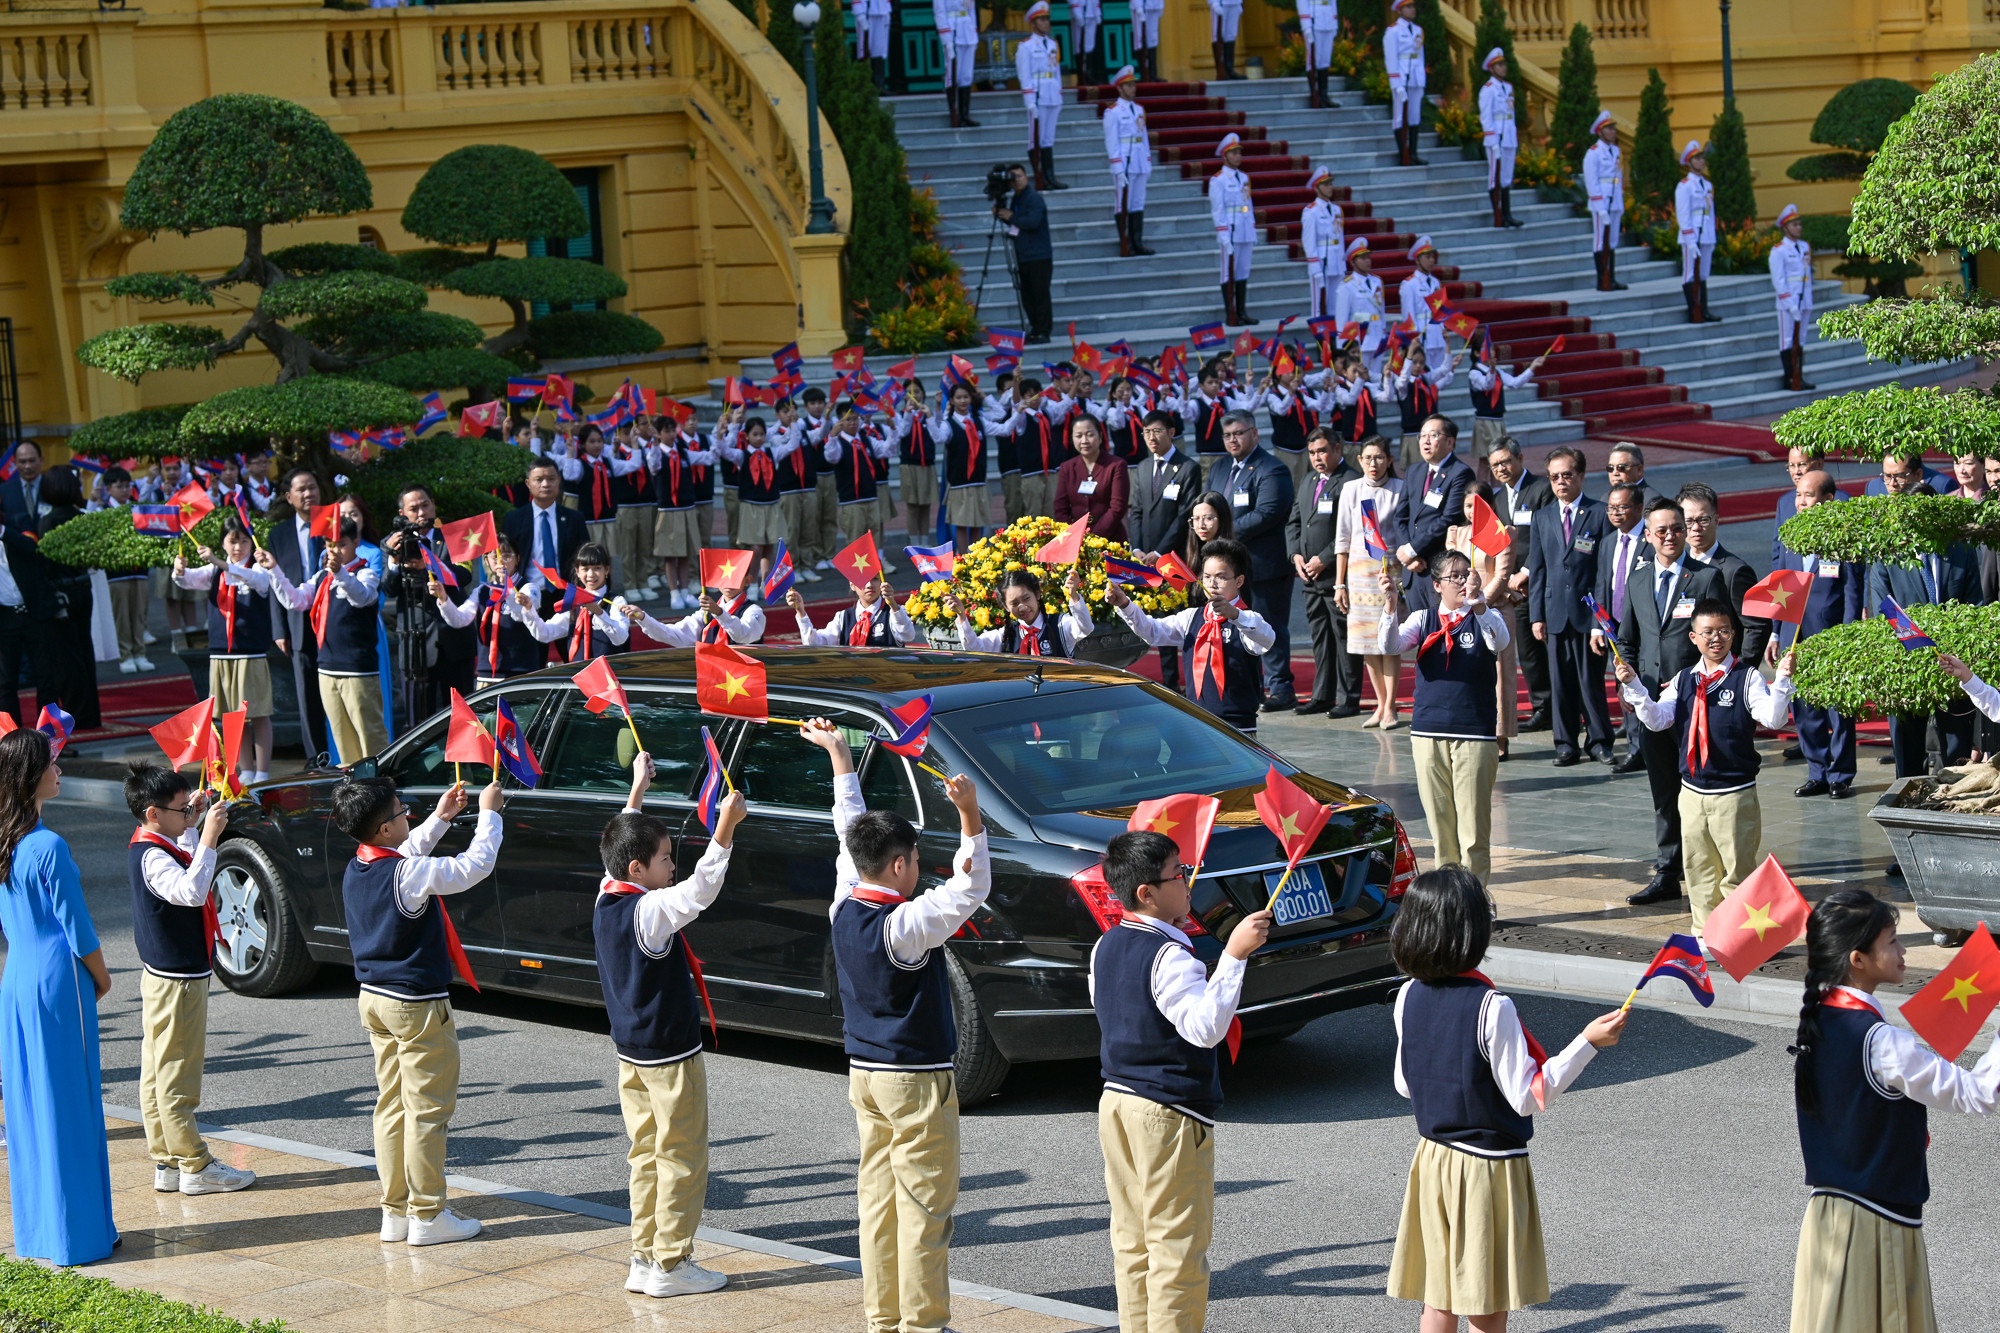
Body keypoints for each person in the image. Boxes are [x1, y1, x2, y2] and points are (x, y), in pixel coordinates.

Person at [800, 717, 988, 1333]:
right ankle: (925, 1322)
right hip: (914, 1076)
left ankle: (883, 1317)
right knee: (925, 1206)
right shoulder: (906, 925)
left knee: (878, 1202)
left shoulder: (844, 902)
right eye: (914, 862)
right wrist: (969, 815)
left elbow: (845, 829)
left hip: (864, 1072)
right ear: (903, 864)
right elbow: (971, 884)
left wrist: (839, 760)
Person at [1386, 866, 1626, 1330]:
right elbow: (1529, 1096)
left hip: (1433, 1160)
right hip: (1486, 1167)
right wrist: (1588, 1043)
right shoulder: (1492, 1007)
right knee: (1484, 1300)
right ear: (1472, 933)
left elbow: (1404, 1083)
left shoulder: (1407, 995)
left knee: (1438, 1297)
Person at [1788, 890, 2000, 1333]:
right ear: (1858, 959)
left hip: (1827, 1218)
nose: (1904, 951)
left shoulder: (1817, 1021)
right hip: (1877, 1224)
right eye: (1892, 941)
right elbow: (1980, 1095)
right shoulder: (1884, 1042)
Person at [1092, 830, 1271, 1333]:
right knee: (1177, 1248)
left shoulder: (1106, 944)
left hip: (1117, 1100)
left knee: (1132, 1241)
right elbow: (1204, 1028)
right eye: (1179, 874)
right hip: (1167, 1112)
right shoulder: (1170, 955)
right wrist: (1233, 957)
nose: (1188, 882)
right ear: (1147, 892)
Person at [595, 751, 745, 1299]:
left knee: (646, 1154)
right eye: (663, 858)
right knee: (681, 1156)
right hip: (669, 1056)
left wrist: (636, 789)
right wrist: (725, 829)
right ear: (639, 870)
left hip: (630, 1054)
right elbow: (699, 891)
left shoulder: (608, 893)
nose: (671, 866)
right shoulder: (649, 912)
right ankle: (672, 1263)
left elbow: (622, 841)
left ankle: (644, 1255)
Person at [334, 772, 504, 1246]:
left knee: (391, 1106)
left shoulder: (360, 865)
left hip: (374, 999)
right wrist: (489, 813)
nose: (408, 815)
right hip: (416, 1005)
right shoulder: (407, 873)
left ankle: (395, 1212)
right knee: (428, 1111)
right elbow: (475, 866)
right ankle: (428, 1213)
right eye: (400, 812)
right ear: (385, 829)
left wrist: (440, 818)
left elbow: (405, 856)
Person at [0, 729, 117, 1265]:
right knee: (70, 1100)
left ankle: (40, 1234)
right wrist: (103, 975)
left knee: (28, 1103)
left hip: (17, 978)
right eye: (52, 763)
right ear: (30, 777)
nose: (60, 768)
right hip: (57, 980)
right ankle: (82, 1234)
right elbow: (78, 927)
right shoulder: (47, 845)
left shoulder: (5, 839)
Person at [1617, 601, 1796, 950]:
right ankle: (1704, 936)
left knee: (1736, 873)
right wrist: (1635, 686)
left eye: (1725, 631)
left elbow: (1774, 720)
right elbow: (1657, 719)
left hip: (1734, 792)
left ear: (1733, 634)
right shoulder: (1684, 679)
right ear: (1694, 637)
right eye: (1709, 632)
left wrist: (1784, 680)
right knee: (1698, 871)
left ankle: (1739, 941)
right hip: (1692, 793)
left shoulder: (1747, 677)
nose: (1717, 638)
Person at [124, 763, 256, 1197]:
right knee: (176, 1073)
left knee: (158, 1069)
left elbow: (185, 861)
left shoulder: (157, 842)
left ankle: (167, 1160)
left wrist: (193, 827)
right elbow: (191, 891)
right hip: (175, 979)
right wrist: (212, 837)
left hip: (168, 975)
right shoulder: (151, 856)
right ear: (152, 813)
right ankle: (195, 1164)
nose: (188, 813)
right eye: (180, 809)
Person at [1614, 498, 1730, 907]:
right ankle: (1668, 870)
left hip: (1696, 702)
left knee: (1702, 788)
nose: (1669, 536)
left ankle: (1712, 866)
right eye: (1660, 530)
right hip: (1650, 704)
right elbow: (1626, 638)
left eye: (1676, 528)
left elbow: (1722, 636)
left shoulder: (1705, 578)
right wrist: (1626, 682)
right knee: (1663, 789)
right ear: (1647, 536)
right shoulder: (1639, 578)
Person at [1379, 551, 1510, 878]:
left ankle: (1475, 898)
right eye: (1456, 575)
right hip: (1428, 733)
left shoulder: (1483, 616)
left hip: (1474, 734)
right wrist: (1391, 607)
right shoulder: (1423, 620)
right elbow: (1391, 646)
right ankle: (1448, 899)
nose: (1464, 580)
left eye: (1468, 573)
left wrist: (1481, 605)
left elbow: (1500, 641)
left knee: (1473, 831)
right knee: (1441, 829)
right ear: (1437, 585)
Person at [1110, 537, 1276, 734]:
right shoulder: (1192, 617)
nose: (1212, 583)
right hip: (1198, 721)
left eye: (1221, 577)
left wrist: (1234, 614)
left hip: (1238, 729)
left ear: (1239, 581)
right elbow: (1152, 631)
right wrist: (1125, 605)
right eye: (1207, 576)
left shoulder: (1247, 619)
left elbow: (1267, 638)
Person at [260, 518, 388, 764]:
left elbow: (361, 598)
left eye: (341, 545)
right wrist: (273, 569)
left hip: (357, 669)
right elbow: (295, 600)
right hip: (327, 667)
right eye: (330, 545)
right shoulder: (321, 577)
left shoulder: (366, 573)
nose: (335, 551)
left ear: (356, 544)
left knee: (370, 735)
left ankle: (382, 787)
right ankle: (353, 789)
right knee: (342, 737)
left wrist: (340, 572)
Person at [1870, 519, 1982, 779]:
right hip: (1905, 664)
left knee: (1956, 750)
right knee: (1908, 748)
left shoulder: (1960, 551)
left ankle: (1954, 800)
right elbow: (1883, 611)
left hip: (1952, 664)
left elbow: (1975, 606)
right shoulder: (1888, 554)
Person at [1772, 474, 1862, 799]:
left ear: (1828, 499)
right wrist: (1775, 633)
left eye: (1808, 496)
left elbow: (1853, 592)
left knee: (1839, 710)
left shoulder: (1842, 538)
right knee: (1806, 710)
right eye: (1798, 495)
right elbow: (1780, 586)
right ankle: (1817, 772)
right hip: (1795, 637)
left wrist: (1850, 635)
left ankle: (1841, 774)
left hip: (1833, 637)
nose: (1801, 502)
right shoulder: (1790, 536)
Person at [173, 515, 275, 784]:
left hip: (250, 652)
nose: (239, 547)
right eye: (232, 541)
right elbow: (188, 581)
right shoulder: (214, 571)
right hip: (221, 652)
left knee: (258, 712)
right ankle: (246, 769)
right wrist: (179, 570)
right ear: (223, 543)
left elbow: (258, 582)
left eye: (244, 541)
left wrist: (218, 561)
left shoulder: (258, 569)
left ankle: (263, 771)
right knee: (232, 716)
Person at [1527, 447, 1612, 766]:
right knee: (1559, 684)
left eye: (1566, 475)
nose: (1560, 482)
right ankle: (1565, 743)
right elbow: (1537, 569)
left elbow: (1604, 572)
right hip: (1554, 612)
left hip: (1587, 613)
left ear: (1581, 476)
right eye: (1554, 477)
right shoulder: (1543, 516)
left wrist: (1598, 618)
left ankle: (1599, 740)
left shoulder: (1599, 513)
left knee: (1590, 683)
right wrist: (1537, 615)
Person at [1214, 411, 1297, 709]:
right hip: (1229, 569)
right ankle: (1251, 685)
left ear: (1255, 433)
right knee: (1236, 626)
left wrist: (1222, 533)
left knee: (1269, 625)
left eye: (1238, 433)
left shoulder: (1272, 468)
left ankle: (1281, 688)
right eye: (1227, 435)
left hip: (1265, 565)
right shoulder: (1220, 467)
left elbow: (1268, 513)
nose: (1233, 440)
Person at [383, 483, 478, 714]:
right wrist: (394, 561)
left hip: (455, 642)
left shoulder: (456, 536)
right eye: (414, 508)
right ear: (402, 513)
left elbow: (463, 576)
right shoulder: (392, 542)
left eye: (425, 505)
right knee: (418, 720)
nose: (421, 512)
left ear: (434, 505)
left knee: (461, 716)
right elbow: (388, 589)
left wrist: (428, 565)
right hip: (416, 643)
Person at [1290, 429, 1363, 719]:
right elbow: (1294, 521)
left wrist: (1324, 558)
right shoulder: (1309, 480)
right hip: (1309, 576)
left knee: (1344, 638)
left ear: (1337, 449)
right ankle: (1322, 695)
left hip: (1336, 576)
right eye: (1312, 453)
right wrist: (1295, 554)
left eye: (1321, 451)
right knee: (1320, 638)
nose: (1317, 458)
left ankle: (1349, 698)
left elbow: (1352, 529)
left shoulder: (1351, 481)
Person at [1335, 439, 1405, 728]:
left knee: (1389, 641)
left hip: (1390, 569)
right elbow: (1343, 537)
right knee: (1368, 644)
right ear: (1360, 460)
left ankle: (1391, 706)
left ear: (1389, 459)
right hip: (1359, 572)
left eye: (1379, 458)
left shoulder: (1400, 489)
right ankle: (1379, 703)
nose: (1373, 464)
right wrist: (1340, 584)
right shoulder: (1351, 488)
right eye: (1367, 458)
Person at [1451, 479, 1522, 760]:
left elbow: (1502, 576)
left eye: (1477, 505)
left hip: (1495, 612)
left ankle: (1500, 734)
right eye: (1468, 505)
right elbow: (1451, 572)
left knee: (1499, 676)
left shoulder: (1504, 533)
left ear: (1490, 506)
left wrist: (1479, 605)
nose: (1471, 511)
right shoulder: (1457, 533)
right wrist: (1460, 606)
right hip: (1463, 612)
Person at [31, 467, 102, 732]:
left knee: (67, 657)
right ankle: (91, 714)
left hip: (61, 593)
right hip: (84, 588)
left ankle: (78, 714)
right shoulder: (81, 517)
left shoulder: (48, 521)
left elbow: (45, 562)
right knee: (85, 651)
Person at [1679, 482, 1770, 665]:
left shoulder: (1735, 571)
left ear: (1717, 521)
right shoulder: (1677, 567)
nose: (1696, 528)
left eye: (1703, 520)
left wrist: (1740, 673)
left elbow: (1757, 627)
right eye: (1689, 521)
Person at [1593, 483, 1649, 772]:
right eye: (1611, 508)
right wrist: (1597, 627)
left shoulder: (1650, 542)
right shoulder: (1608, 542)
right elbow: (1602, 584)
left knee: (1644, 682)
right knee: (1623, 682)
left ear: (1639, 509)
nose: (1615, 513)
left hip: (1643, 625)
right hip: (1614, 626)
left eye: (1622, 507)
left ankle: (1650, 746)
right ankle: (1636, 748)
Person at [1393, 414, 1472, 590]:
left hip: (1437, 568)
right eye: (1422, 436)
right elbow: (1400, 517)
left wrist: (1413, 549)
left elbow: (1449, 518)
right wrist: (1408, 554)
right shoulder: (1414, 470)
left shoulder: (1460, 473)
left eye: (1433, 436)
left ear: (1450, 442)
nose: (1425, 441)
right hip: (1413, 568)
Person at [519, 543, 630, 663]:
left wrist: (599, 613)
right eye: (585, 569)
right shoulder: (574, 604)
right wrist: (529, 610)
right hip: (580, 675)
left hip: (610, 676)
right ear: (577, 571)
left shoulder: (616, 602)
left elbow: (620, 637)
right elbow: (545, 633)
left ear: (607, 570)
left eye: (597, 568)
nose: (591, 575)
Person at [948, 568, 1092, 656]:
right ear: (1005, 607)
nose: (1022, 607)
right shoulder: (1005, 636)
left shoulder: (1061, 625)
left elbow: (1086, 628)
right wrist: (961, 616)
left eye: (1026, 598)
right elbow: (973, 648)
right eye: (1014, 603)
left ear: (1037, 594)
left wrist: (1073, 595)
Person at [1128, 409, 1203, 570]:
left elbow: (1185, 515)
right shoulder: (1143, 467)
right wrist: (1136, 548)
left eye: (1157, 431)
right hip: (1144, 556)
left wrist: (1160, 552)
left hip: (1174, 556)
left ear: (1171, 432)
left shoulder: (1188, 468)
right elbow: (1136, 512)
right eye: (1146, 432)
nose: (1151, 437)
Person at [996, 163, 1054, 346]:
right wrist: (1003, 216)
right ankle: (1035, 328)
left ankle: (1044, 330)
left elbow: (1032, 222)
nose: (1017, 180)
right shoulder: (1017, 199)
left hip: (1039, 255)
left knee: (1040, 294)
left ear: (1026, 177)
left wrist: (1011, 216)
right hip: (1023, 254)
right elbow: (1017, 225)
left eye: (1020, 176)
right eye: (1013, 178)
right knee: (1027, 295)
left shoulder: (1033, 199)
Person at [789, 572, 922, 647]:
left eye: (875, 579)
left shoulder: (894, 612)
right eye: (863, 580)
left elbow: (908, 635)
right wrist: (801, 611)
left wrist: (893, 603)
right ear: (852, 585)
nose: (870, 585)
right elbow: (814, 643)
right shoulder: (843, 617)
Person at [1466, 333, 1544, 461]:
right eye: (1487, 349)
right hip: (1485, 421)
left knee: (1500, 459)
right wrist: (1491, 370)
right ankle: (1482, 482)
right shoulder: (1474, 373)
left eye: (1492, 348)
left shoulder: (1497, 371)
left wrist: (1532, 367)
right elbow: (1487, 385)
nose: (1492, 352)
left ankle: (1497, 482)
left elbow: (1515, 383)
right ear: (1477, 353)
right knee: (1486, 461)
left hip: (1498, 419)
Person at [1055, 415, 1131, 541]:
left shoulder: (1116, 466)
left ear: (1100, 437)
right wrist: (1073, 535)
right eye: (1078, 436)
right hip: (1074, 540)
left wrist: (1092, 538)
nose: (1084, 440)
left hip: (1110, 539)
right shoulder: (1067, 467)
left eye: (1090, 435)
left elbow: (1117, 508)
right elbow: (1060, 508)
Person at [1105, 68, 1155, 257]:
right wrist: (1117, 167)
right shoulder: (1113, 112)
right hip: (1124, 161)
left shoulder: (1139, 109)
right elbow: (1111, 141)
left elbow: (1144, 136)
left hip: (1140, 159)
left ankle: (1137, 242)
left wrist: (1148, 160)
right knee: (1123, 204)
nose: (1132, 88)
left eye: (1134, 84)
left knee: (1138, 202)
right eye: (1128, 85)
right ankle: (1126, 243)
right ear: (1119, 88)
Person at [1017, 3, 1066, 190]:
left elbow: (1056, 72)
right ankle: (1039, 177)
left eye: (1047, 19)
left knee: (1048, 138)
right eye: (1042, 20)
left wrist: (1059, 94)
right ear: (1033, 23)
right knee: (1035, 138)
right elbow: (1024, 75)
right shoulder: (1026, 47)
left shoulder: (1053, 44)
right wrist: (1029, 102)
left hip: (1052, 94)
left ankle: (1050, 177)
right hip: (1037, 96)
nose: (1046, 23)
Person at [1210, 134, 1256, 327]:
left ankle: (1242, 311)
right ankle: (1231, 312)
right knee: (1228, 273)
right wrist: (1223, 235)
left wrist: (1253, 229)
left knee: (1243, 271)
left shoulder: (1244, 177)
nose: (1238, 157)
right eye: (1233, 153)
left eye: (1239, 153)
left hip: (1245, 229)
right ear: (1225, 155)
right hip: (1230, 230)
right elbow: (1217, 209)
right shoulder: (1218, 180)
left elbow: (1249, 204)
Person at [1675, 141, 1723, 325]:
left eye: (1702, 157)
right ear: (1689, 162)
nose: (1701, 161)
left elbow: (1710, 211)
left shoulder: (1708, 185)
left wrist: (1712, 235)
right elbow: (1683, 214)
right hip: (1692, 234)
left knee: (1703, 274)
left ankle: (1704, 310)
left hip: (1707, 233)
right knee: (1690, 274)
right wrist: (1690, 241)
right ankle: (1693, 311)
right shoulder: (1684, 185)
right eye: (1697, 158)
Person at [1772, 203, 1816, 392]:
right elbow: (1779, 280)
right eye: (1794, 224)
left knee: (1802, 339)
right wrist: (1790, 305)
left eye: (1799, 223)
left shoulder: (1805, 246)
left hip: (1805, 298)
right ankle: (1790, 377)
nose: (1798, 227)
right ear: (1785, 227)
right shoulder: (1779, 250)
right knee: (1787, 340)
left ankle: (1799, 376)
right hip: (1788, 302)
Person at [1477, 48, 1522, 227]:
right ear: (1491, 68)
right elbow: (1486, 117)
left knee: (1506, 178)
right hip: (1497, 137)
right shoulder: (1488, 90)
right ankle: (1498, 215)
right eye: (1499, 65)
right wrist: (1493, 140)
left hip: (1509, 135)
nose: (1503, 68)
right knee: (1495, 177)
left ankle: (1507, 213)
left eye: (1504, 64)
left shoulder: (1508, 87)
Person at [1583, 111, 1627, 291]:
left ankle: (1612, 277)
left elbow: (1619, 176)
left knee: (1613, 240)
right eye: (1609, 129)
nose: (1613, 132)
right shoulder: (1593, 153)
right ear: (1599, 132)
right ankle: (1602, 279)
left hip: (1615, 198)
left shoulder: (1615, 150)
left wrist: (1621, 201)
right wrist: (1600, 207)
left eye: (1613, 128)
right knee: (1601, 240)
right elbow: (1591, 181)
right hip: (1602, 200)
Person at [1383, 0, 1426, 166]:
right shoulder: (1393, 31)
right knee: (1400, 117)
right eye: (1408, 7)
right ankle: (1403, 153)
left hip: (1416, 77)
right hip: (1402, 76)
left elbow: (1420, 56)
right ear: (1400, 10)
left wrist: (1422, 80)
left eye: (1413, 6)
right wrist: (1396, 83)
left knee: (1415, 116)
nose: (1412, 9)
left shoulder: (1418, 30)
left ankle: (1413, 153)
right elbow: (1391, 58)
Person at [1334, 240, 1388, 373]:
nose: (1367, 261)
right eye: (1363, 258)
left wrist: (1383, 334)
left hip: (1376, 335)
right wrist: (1343, 347)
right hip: (1359, 339)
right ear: (1353, 262)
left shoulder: (1377, 281)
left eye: (1368, 257)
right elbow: (1341, 319)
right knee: (1359, 377)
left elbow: (1381, 311)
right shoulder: (1347, 286)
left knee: (1376, 376)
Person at [1301, 166, 1346, 319]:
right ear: (1316, 188)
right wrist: (1315, 267)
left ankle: (1333, 339)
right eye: (1325, 184)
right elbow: (1308, 241)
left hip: (1336, 260)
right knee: (1319, 306)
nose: (1330, 187)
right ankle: (1321, 341)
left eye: (1330, 184)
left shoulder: (1336, 210)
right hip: (1321, 260)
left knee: (1335, 304)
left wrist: (1343, 262)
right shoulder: (1311, 211)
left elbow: (1340, 237)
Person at [934, 0, 978, 126]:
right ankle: (954, 114)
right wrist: (946, 40)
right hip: (952, 32)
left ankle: (965, 115)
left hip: (968, 31)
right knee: (953, 76)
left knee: (967, 75)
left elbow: (971, 10)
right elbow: (939, 14)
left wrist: (974, 34)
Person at [1298, 0, 1338, 107]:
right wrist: (1306, 26)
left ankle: (1324, 96)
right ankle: (1315, 96)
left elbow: (1333, 2)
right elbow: (1302, 4)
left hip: (1328, 20)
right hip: (1313, 21)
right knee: (1314, 59)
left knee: (1325, 60)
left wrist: (1335, 21)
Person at [0, 439, 46, 530]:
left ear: (41, 460)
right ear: (15, 463)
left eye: (32, 460)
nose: (27, 466)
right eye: (22, 462)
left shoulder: (53, 486)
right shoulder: (4, 491)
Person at [852, 0, 890, 90]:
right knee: (864, 49)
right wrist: (859, 13)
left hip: (882, 11)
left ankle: (879, 86)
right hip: (866, 12)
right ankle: (865, 86)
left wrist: (887, 9)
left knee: (880, 49)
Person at [1206, 0, 1243, 79]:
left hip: (1234, 3)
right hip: (1220, 3)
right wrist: (1214, 3)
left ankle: (1230, 70)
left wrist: (1239, 3)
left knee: (1231, 35)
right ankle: (1221, 71)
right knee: (1218, 34)